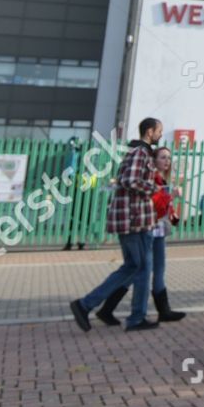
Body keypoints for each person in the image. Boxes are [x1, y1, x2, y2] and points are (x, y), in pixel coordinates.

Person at [70, 117, 164, 332]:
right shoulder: (141, 153)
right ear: (150, 132)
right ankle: (86, 305)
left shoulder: (136, 151)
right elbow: (130, 181)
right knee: (135, 266)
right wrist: (153, 188)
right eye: (159, 131)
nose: (160, 135)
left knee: (136, 267)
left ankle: (131, 316)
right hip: (133, 219)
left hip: (133, 218)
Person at [94, 145, 187, 325]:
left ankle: (163, 310)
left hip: (159, 229)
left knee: (158, 269)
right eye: (162, 157)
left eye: (168, 158)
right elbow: (153, 204)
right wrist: (171, 196)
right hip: (148, 228)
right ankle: (108, 308)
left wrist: (173, 214)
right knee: (139, 270)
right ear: (153, 160)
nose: (167, 161)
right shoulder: (150, 179)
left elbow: (165, 207)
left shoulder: (162, 180)